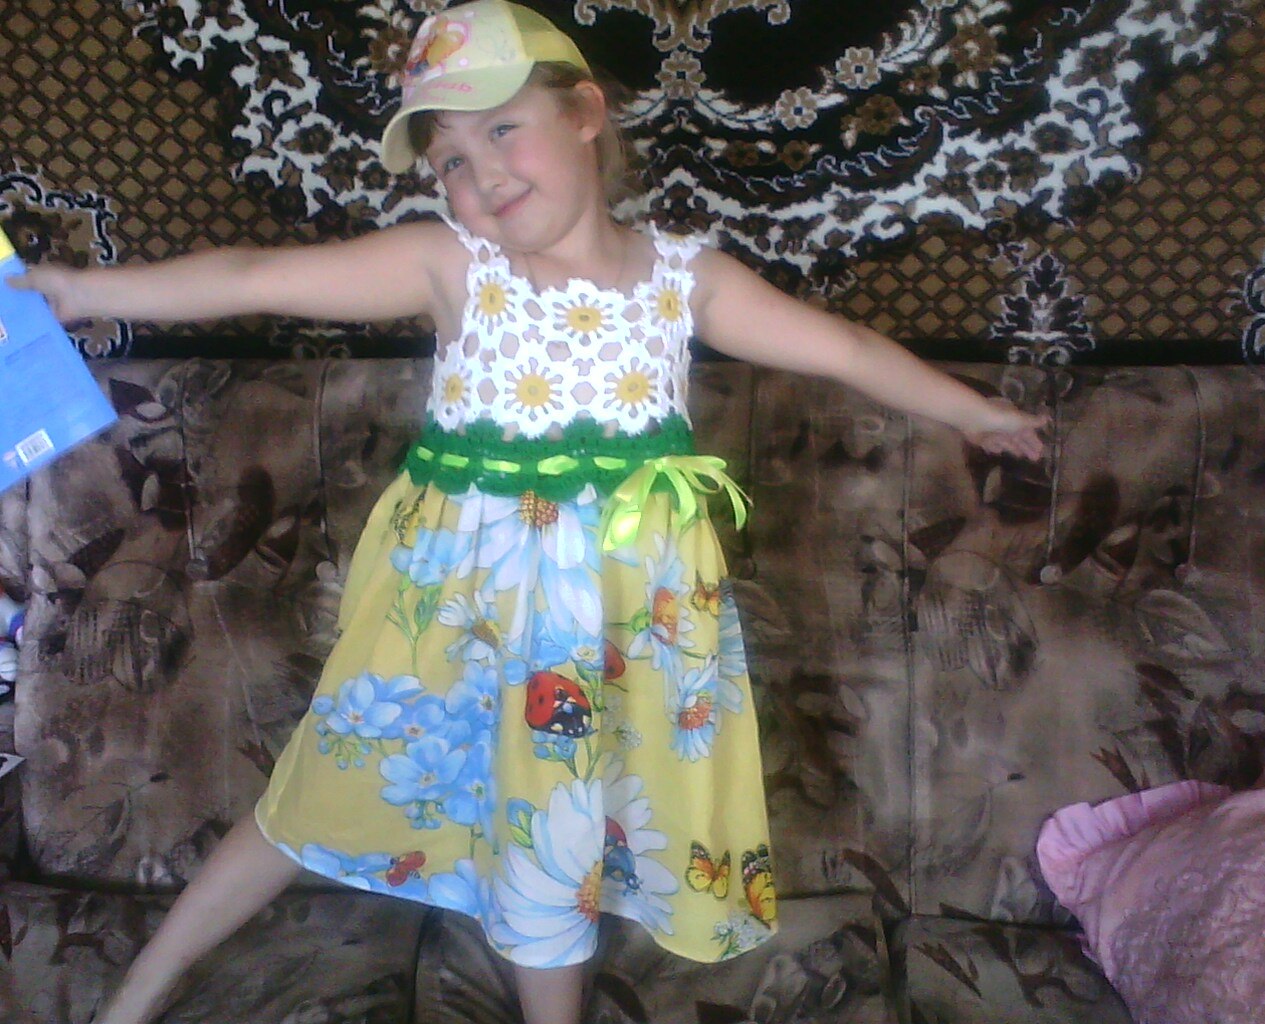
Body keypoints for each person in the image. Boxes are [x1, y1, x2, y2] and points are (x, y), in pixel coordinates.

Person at [15, 2, 1047, 1022]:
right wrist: (84, 291)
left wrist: (971, 410)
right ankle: (138, 993)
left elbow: (844, 348)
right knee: (318, 785)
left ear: (585, 113)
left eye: (503, 129)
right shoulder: (452, 267)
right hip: (452, 609)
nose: (484, 175)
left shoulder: (684, 282)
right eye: (451, 161)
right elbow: (257, 275)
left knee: (555, 833)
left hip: (614, 622)